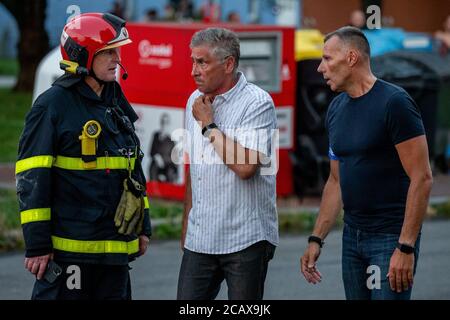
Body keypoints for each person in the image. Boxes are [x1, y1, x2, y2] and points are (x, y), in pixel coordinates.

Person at [16, 12, 152, 300]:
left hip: (114, 253)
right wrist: (38, 245)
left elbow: (132, 167)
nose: (117, 59)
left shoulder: (114, 101)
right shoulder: (52, 106)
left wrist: (144, 227)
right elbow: (32, 178)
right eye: (108, 52)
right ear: (82, 55)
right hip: (71, 253)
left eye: (117, 51)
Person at [299, 26, 433, 300]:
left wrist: (405, 246)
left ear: (351, 58)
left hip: (390, 238)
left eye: (327, 59)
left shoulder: (394, 103)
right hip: (353, 237)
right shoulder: (336, 109)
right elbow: (336, 180)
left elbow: (422, 177)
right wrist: (316, 238)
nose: (320, 68)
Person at [177, 28, 278, 300]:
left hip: (245, 238)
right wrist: (188, 223)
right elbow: (194, 167)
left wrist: (209, 125)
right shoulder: (193, 102)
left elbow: (246, 167)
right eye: (193, 61)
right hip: (201, 237)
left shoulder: (258, 103)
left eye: (202, 62)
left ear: (229, 64)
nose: (194, 70)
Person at [148, 113, 178, 183]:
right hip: (155, 166)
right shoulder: (155, 135)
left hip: (167, 167)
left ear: (169, 124)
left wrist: (163, 160)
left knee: (170, 172)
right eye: (163, 122)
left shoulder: (171, 141)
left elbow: (174, 160)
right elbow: (151, 152)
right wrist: (156, 156)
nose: (164, 124)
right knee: (153, 166)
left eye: (166, 122)